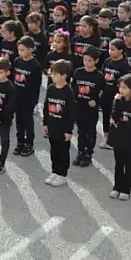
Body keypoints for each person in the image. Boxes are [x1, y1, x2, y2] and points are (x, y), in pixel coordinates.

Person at [43, 59, 76, 187]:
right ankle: (55, 171)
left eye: (55, 74)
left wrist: (69, 130)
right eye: (51, 73)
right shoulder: (51, 88)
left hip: (63, 128)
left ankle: (62, 174)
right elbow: (46, 105)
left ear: (64, 76)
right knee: (54, 150)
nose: (52, 76)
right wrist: (46, 122)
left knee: (63, 151)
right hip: (52, 125)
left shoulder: (68, 92)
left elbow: (71, 113)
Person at [109, 74, 131, 201]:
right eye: (120, 87)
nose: (121, 90)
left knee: (128, 164)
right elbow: (114, 117)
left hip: (129, 138)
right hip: (118, 136)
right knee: (118, 163)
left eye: (124, 87)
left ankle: (126, 189)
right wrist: (117, 102)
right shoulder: (118, 100)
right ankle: (117, 186)